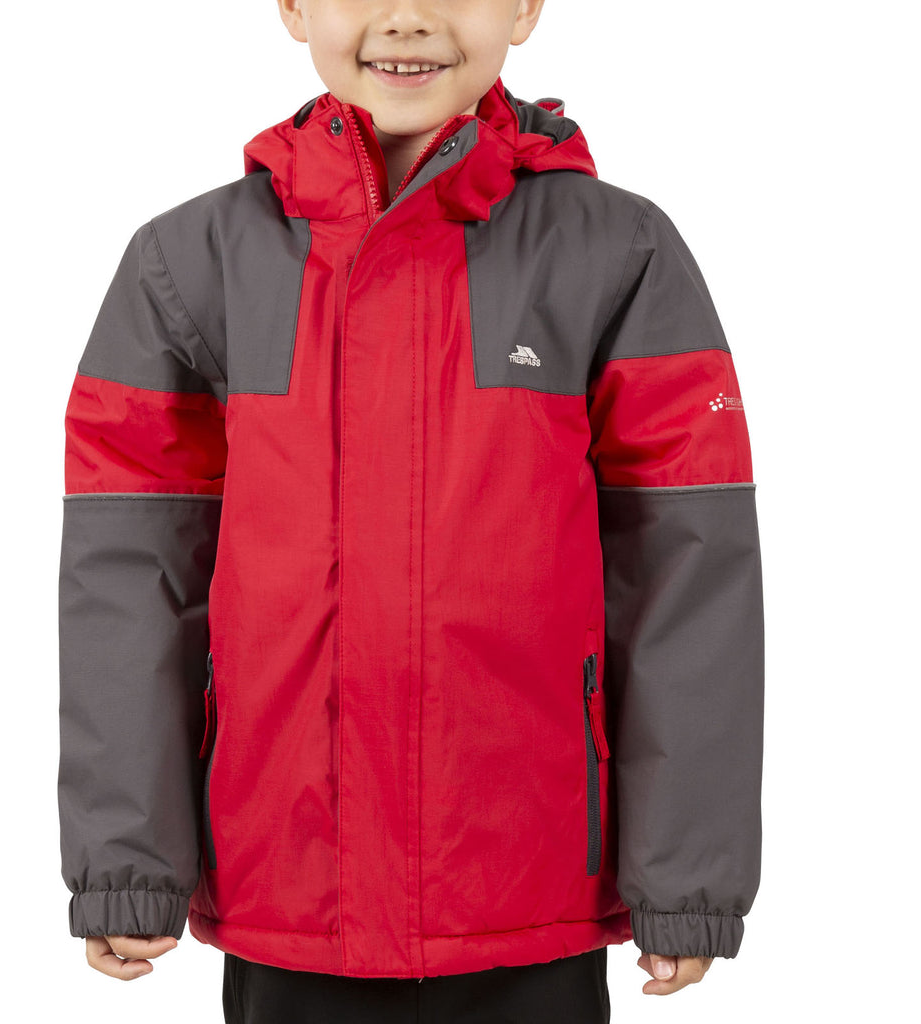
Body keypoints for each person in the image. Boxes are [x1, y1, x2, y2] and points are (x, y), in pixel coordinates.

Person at [58, 1, 764, 1020]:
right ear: (292, 5)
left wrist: (685, 876)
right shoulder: (193, 263)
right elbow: (127, 580)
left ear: (525, 7)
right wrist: (128, 859)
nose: (408, 17)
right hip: (286, 886)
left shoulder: (617, 253)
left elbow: (689, 576)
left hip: (527, 885)